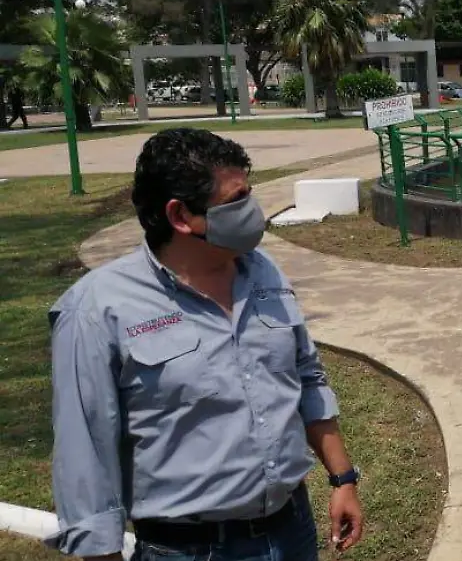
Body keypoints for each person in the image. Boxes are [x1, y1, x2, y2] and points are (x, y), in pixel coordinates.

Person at [47, 128, 364, 561]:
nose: (252, 210)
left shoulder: (263, 272)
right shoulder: (97, 309)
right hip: (189, 549)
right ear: (180, 215)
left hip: (291, 531)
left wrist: (342, 478)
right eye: (236, 200)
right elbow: (85, 450)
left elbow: (306, 377)